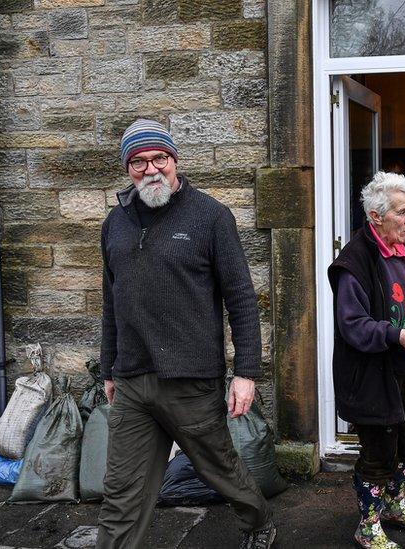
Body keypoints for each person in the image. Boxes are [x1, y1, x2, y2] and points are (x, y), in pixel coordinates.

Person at [98, 119, 275, 549]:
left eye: (160, 157)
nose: (151, 168)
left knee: (220, 469)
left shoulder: (211, 216)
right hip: (134, 380)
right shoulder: (114, 223)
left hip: (192, 381)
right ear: (127, 168)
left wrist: (246, 371)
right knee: (121, 491)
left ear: (175, 160)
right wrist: (109, 367)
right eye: (138, 161)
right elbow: (111, 302)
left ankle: (259, 520)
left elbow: (241, 298)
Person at [328, 172, 405, 549]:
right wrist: (398, 335)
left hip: (403, 371)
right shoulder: (355, 263)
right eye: (402, 213)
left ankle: (394, 505)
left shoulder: (397, 250)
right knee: (378, 452)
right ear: (376, 217)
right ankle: (368, 525)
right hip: (371, 375)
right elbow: (354, 327)